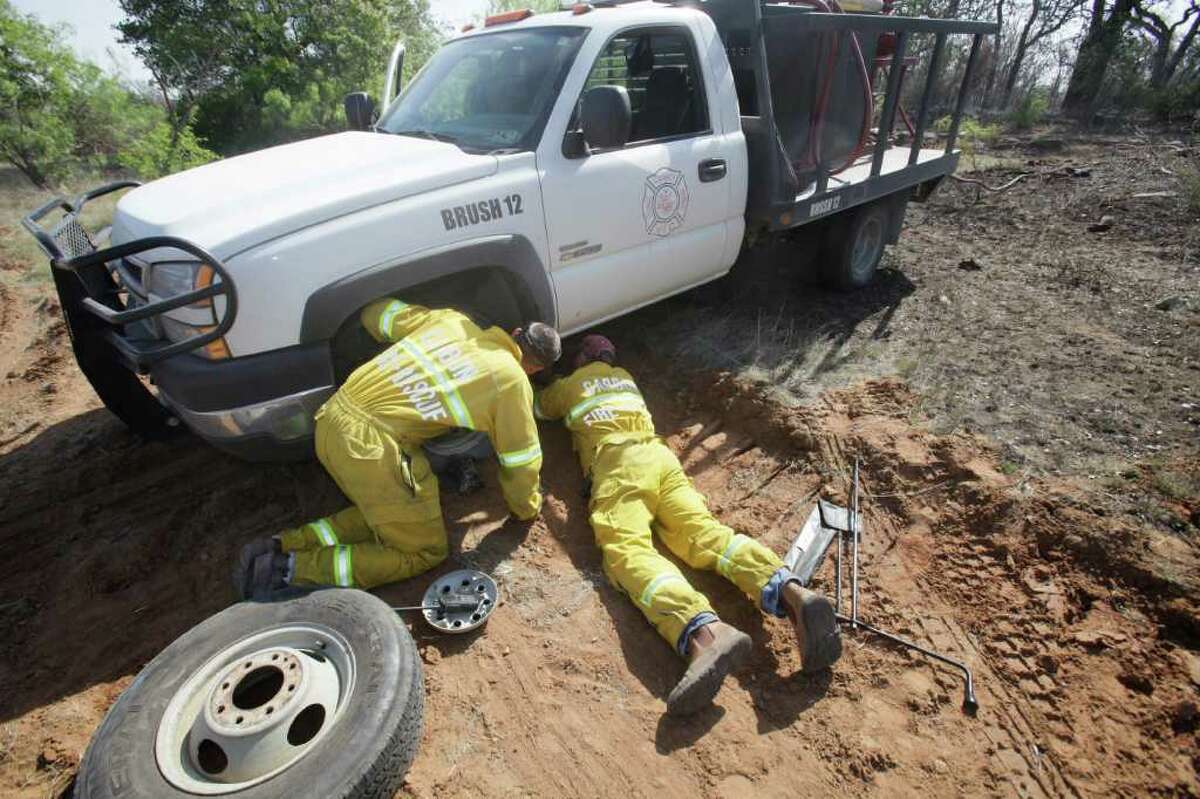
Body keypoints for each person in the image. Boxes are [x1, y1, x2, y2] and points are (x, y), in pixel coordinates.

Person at [535, 335, 841, 715]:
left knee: (626, 550)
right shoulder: (626, 378)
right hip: (661, 459)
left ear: (582, 357)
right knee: (704, 534)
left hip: (619, 465)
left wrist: (544, 378)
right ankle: (792, 592)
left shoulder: (572, 384)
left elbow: (538, 407)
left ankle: (702, 634)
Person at [234, 299, 561, 597]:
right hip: (370, 449)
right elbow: (521, 459)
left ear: (514, 332)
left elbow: (375, 314)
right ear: (535, 368)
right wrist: (526, 509)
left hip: (332, 418)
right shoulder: (510, 380)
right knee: (423, 550)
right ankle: (287, 570)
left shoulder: (451, 321)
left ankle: (280, 545)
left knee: (387, 511)